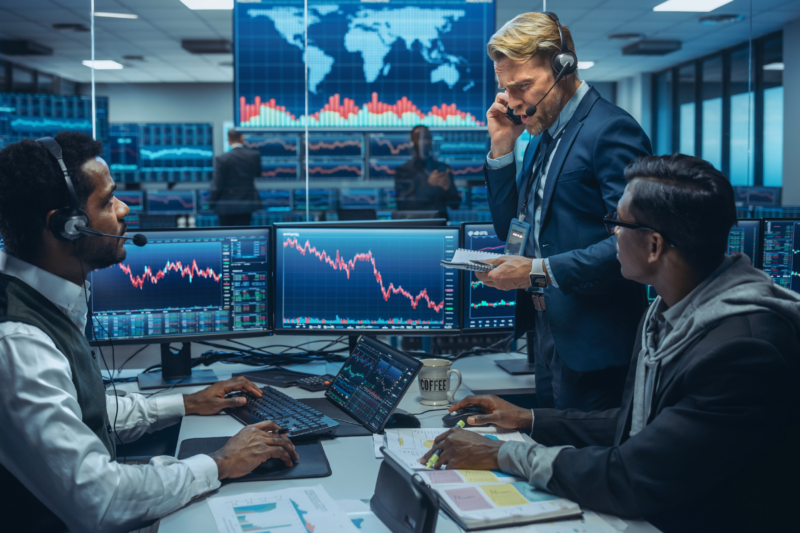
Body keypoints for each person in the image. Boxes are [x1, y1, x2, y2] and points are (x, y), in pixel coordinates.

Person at [421, 154, 800, 532]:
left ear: (653, 246)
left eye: (617, 223)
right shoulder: (670, 313)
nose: (612, 235)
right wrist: (528, 418)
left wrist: (503, 453)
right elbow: (639, 425)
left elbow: (630, 476)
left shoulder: (743, 351)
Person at [0, 132, 298, 532]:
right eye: (107, 201)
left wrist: (186, 403)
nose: (123, 210)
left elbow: (83, 412)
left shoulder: (44, 296)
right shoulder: (20, 343)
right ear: (67, 226)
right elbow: (101, 500)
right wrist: (221, 462)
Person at [480, 12, 651, 410]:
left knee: (583, 460)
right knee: (549, 449)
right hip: (549, 331)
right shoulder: (542, 136)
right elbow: (512, 230)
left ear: (564, 66)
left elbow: (635, 240)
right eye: (507, 89)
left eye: (523, 86)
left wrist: (539, 270)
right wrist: (503, 147)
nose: (515, 102)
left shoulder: (610, 130)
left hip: (595, 341)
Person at [394, 125, 461, 218]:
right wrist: (429, 185)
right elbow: (403, 205)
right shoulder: (403, 171)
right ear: (413, 142)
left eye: (428, 138)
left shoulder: (443, 168)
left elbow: (456, 205)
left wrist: (449, 189)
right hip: (415, 225)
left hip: (440, 226)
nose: (426, 142)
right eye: (421, 138)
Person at [210, 129, 262, 226]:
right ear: (242, 139)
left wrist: (211, 203)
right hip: (246, 206)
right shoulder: (254, 156)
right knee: (243, 235)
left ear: (229, 140)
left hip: (225, 207)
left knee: (226, 235)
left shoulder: (222, 158)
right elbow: (258, 174)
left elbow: (217, 184)